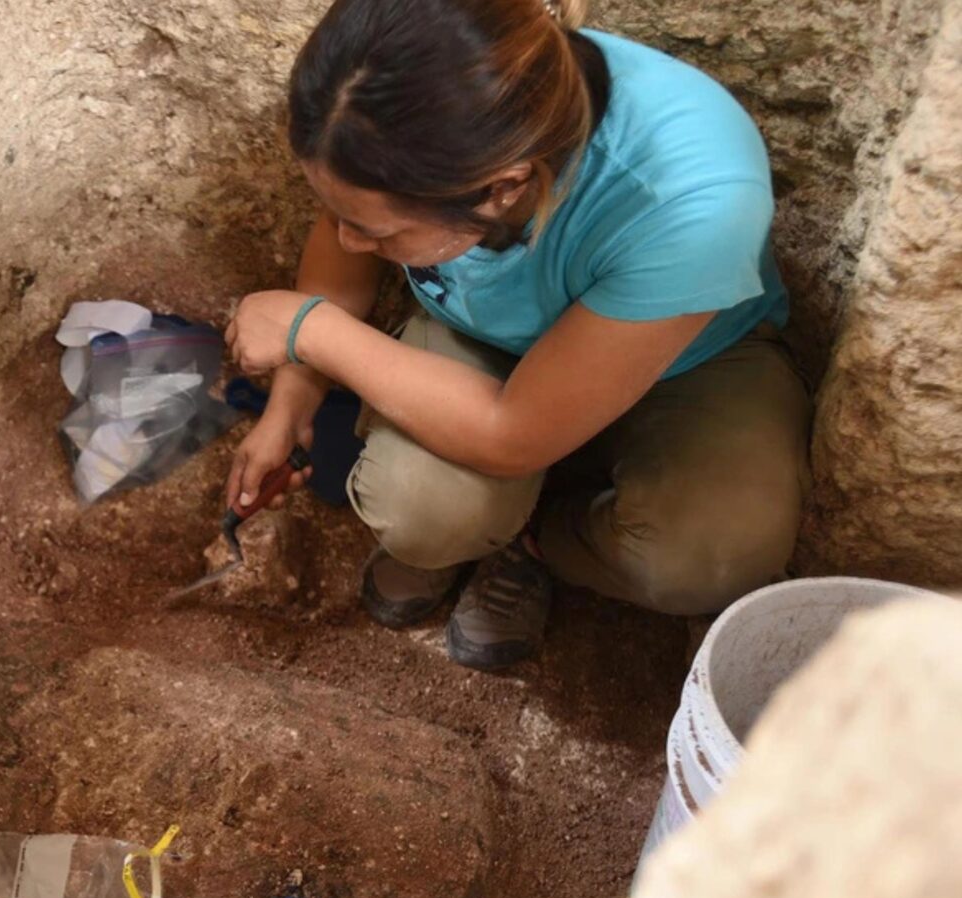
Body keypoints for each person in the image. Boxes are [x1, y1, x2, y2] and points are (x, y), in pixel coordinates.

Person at [224, 0, 811, 670]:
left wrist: (311, 331)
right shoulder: (420, 113)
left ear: (502, 188)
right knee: (423, 512)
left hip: (689, 362)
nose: (349, 240)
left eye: (380, 235)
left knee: (709, 553)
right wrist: (292, 399)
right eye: (340, 215)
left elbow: (514, 431)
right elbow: (348, 229)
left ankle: (535, 544)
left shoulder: (692, 197)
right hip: (488, 335)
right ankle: (483, 530)